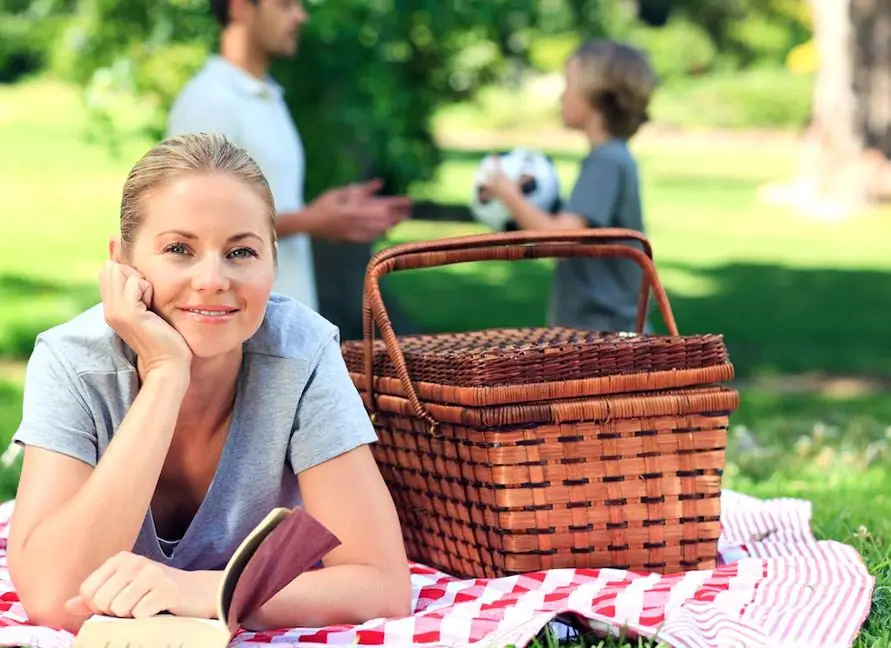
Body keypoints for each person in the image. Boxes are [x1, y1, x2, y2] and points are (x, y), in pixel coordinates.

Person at [6, 133, 411, 634]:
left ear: (273, 263)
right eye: (179, 249)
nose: (213, 280)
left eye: (241, 252)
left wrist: (201, 591)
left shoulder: (299, 352)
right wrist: (164, 375)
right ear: (122, 264)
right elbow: (53, 597)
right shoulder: (73, 362)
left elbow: (381, 585)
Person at [166, 0, 412, 317]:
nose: (300, 16)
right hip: (235, 330)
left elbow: (264, 204)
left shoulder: (266, 96)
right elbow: (195, 223)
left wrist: (327, 211)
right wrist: (313, 221)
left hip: (281, 321)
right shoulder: (209, 100)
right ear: (241, 8)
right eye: (285, 5)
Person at [481, 39, 657, 334]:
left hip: (606, 341)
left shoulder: (607, 161)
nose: (560, 97)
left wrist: (508, 194)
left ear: (596, 95)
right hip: (605, 336)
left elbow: (559, 241)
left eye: (568, 84)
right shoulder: (612, 157)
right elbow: (577, 233)